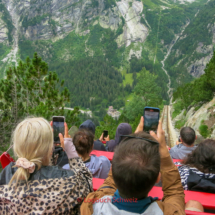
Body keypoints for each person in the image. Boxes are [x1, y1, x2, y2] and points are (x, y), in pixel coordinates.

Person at [81, 117, 186, 215]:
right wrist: (166, 159)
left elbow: (108, 186)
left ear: (113, 171)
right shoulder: (168, 212)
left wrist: (130, 144)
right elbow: (174, 193)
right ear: (158, 178)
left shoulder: (92, 206)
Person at [0, 117, 92, 214]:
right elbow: (87, 185)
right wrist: (70, 149)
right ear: (49, 148)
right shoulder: (67, 181)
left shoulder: (6, 175)